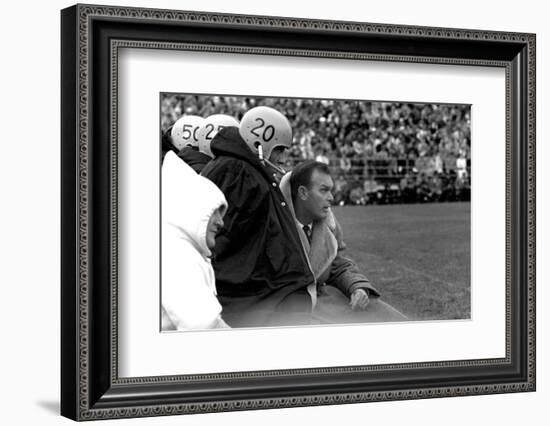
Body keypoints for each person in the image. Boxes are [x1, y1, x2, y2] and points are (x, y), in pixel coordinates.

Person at [201, 106, 316, 327]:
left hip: (264, 290)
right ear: (260, 143)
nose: (283, 157)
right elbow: (222, 240)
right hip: (256, 295)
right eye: (280, 149)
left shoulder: (243, 169)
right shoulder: (237, 172)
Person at [280, 160, 408, 324]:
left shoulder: (327, 228)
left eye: (331, 190)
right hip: (293, 311)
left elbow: (335, 265)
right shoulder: (276, 232)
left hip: (322, 300)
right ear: (303, 193)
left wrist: (356, 287)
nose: (331, 197)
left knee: (389, 317)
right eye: (324, 190)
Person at [161, 151, 230, 330]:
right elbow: (203, 325)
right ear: (193, 209)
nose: (221, 222)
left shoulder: (178, 247)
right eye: (214, 211)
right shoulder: (177, 254)